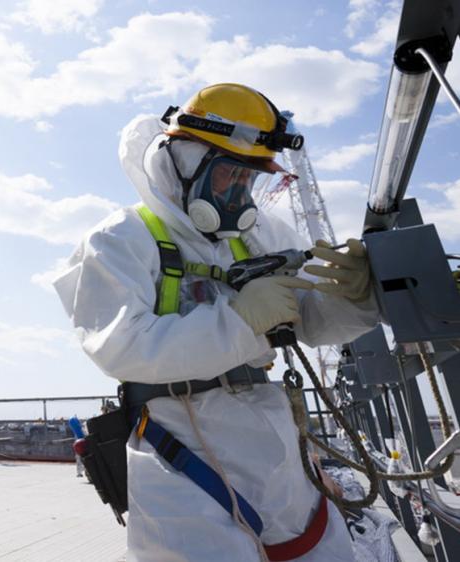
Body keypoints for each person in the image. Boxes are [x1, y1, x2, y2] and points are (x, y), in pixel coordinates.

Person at [53, 83, 379, 561]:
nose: (240, 193)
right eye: (229, 174)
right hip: (179, 444)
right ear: (184, 161)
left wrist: (354, 297)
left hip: (272, 440)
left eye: (250, 180)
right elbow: (121, 346)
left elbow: (311, 321)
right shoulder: (122, 238)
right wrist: (241, 320)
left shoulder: (260, 234)